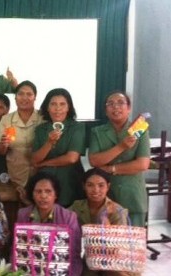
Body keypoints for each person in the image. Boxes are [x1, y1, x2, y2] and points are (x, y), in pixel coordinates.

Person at [88, 91, 150, 227]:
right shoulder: (97, 132)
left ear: (129, 108)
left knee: (133, 244)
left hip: (133, 194)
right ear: (105, 111)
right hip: (106, 195)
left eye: (121, 103)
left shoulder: (140, 130)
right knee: (107, 243)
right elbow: (94, 161)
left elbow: (142, 164)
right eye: (111, 104)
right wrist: (122, 146)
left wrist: (111, 169)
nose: (116, 107)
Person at [17, 172, 82, 276]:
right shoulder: (23, 214)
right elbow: (18, 250)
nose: (43, 196)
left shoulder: (68, 217)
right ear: (32, 194)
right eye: (38, 191)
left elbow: (74, 253)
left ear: (55, 194)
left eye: (48, 191)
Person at [69, 168, 131, 276]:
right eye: (90, 185)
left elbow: (120, 246)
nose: (96, 190)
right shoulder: (77, 207)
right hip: (88, 257)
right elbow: (63, 225)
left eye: (101, 185)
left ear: (108, 186)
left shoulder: (117, 211)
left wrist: (107, 229)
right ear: (84, 186)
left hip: (114, 258)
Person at [32, 88, 85, 207]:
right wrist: (49, 143)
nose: (58, 108)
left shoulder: (77, 127)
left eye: (62, 104)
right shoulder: (40, 129)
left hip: (70, 183)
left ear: (68, 108)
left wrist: (44, 163)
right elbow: (35, 159)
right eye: (53, 104)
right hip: (45, 185)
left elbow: (71, 158)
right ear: (47, 107)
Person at [0, 81, 43, 188]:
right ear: (15, 98)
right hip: (16, 177)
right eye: (20, 94)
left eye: (29, 94)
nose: (24, 98)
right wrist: (3, 144)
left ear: (35, 97)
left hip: (41, 175)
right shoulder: (6, 119)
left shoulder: (43, 118)